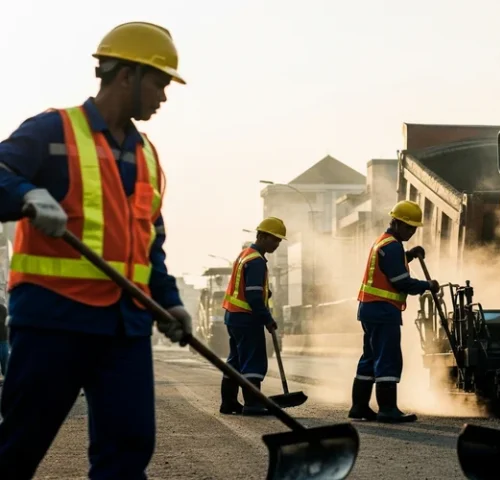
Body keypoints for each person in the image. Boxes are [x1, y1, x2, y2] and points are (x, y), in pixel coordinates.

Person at [0, 22, 193, 479]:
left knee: (128, 450)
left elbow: (150, 244)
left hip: (124, 328)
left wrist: (170, 302)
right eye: (160, 82)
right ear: (126, 75)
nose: (164, 97)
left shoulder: (147, 156)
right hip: (53, 321)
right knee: (19, 447)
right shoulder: (53, 131)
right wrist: (27, 194)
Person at [349, 200, 440, 423]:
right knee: (387, 358)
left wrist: (410, 255)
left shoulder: (385, 242)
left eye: (414, 228)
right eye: (409, 227)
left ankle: (359, 407)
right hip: (383, 310)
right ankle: (387, 409)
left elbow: (392, 265)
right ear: (396, 223)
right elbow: (401, 281)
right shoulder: (392, 246)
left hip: (370, 309)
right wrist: (428, 285)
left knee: (370, 358)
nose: (412, 232)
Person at [220, 217, 285, 416]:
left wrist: (265, 292)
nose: (277, 244)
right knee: (253, 361)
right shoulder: (256, 261)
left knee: (235, 361)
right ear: (262, 236)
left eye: (279, 240)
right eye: (274, 239)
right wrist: (267, 319)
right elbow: (254, 297)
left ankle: (229, 402)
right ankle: (252, 403)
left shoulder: (244, 255)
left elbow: (246, 288)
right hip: (247, 319)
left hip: (233, 316)